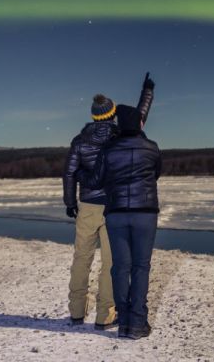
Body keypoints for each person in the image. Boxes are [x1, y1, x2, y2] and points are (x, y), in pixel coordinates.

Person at [63, 73, 154, 329]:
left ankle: (76, 312)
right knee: (111, 263)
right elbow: (140, 115)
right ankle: (105, 315)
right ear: (113, 114)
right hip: (114, 208)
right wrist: (147, 92)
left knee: (81, 257)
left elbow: (69, 172)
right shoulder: (120, 137)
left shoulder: (80, 141)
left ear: (94, 116)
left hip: (88, 207)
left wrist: (70, 202)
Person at [85, 99, 162, 340]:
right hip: (145, 214)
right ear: (138, 124)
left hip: (117, 214)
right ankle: (138, 323)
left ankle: (125, 322)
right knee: (141, 267)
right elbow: (156, 174)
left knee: (120, 268)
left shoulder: (109, 149)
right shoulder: (151, 147)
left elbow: (95, 181)